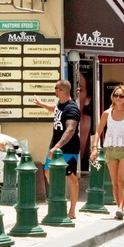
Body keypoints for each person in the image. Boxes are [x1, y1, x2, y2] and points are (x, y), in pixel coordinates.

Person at [91, 86, 124, 220]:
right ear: (112, 97)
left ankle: (121, 208)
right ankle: (118, 207)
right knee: (115, 182)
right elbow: (98, 131)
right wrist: (94, 147)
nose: (118, 98)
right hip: (110, 149)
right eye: (116, 95)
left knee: (122, 181)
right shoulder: (107, 113)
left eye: (121, 96)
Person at [34, 80, 81, 221]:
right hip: (54, 146)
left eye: (55, 88)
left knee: (71, 177)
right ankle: (58, 198)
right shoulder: (61, 104)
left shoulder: (72, 108)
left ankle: (72, 210)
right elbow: (56, 110)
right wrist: (42, 104)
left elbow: (70, 130)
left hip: (68, 148)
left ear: (60, 90)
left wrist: (57, 147)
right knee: (48, 171)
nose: (54, 91)